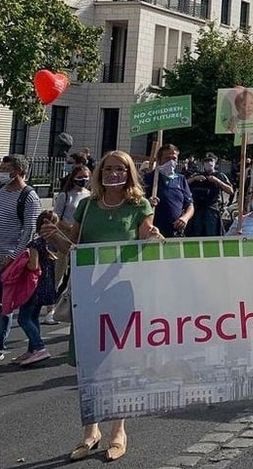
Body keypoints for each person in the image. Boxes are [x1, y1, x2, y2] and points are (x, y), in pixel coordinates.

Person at [42, 150, 160, 463]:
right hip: (88, 294)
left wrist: (152, 238)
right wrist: (54, 237)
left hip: (122, 293)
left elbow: (146, 244)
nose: (114, 173)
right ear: (100, 173)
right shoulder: (87, 205)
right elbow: (74, 249)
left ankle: (117, 431)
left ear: (130, 173)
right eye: (108, 168)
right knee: (89, 366)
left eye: (121, 169)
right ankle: (89, 431)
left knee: (117, 363)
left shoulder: (140, 206)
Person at [0, 154, 42, 362]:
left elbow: (29, 231)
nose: (1, 171)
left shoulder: (29, 196)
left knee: (5, 304)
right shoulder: (1, 192)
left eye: (5, 168)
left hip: (14, 259)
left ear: (17, 171)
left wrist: (12, 256)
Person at [12, 210, 60, 365]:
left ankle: (39, 348)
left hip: (34, 286)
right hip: (47, 285)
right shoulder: (53, 244)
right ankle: (31, 350)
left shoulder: (35, 243)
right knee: (33, 317)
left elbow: (33, 266)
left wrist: (21, 263)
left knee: (23, 318)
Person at [47, 164, 91, 325]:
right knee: (58, 271)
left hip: (82, 238)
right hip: (65, 236)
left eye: (86, 177)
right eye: (80, 177)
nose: (83, 180)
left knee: (75, 274)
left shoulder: (89, 195)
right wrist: (69, 226)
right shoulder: (66, 195)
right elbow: (57, 216)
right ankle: (50, 307)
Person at [145, 144, 194, 238]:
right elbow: (137, 201)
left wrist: (185, 218)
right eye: (167, 158)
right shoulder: (148, 178)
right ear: (159, 160)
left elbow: (190, 205)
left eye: (174, 159)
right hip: (154, 231)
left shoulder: (181, 179)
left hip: (175, 232)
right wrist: (147, 203)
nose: (171, 162)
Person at [186, 153, 233, 237]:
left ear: (215, 163)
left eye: (210, 160)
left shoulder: (219, 175)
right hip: (198, 209)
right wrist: (194, 179)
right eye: (206, 161)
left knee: (211, 233)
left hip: (212, 208)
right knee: (196, 233)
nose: (208, 163)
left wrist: (217, 181)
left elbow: (230, 191)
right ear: (203, 164)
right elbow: (184, 184)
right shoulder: (198, 175)